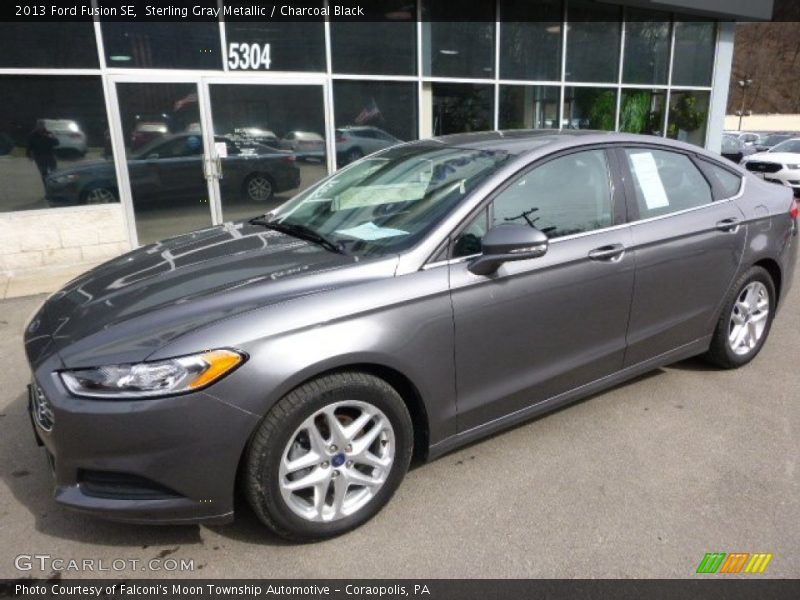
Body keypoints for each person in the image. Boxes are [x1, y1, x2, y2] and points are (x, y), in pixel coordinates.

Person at [27, 120, 59, 186]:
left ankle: (55, 185)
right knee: (44, 172)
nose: (41, 126)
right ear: (37, 126)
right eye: (39, 125)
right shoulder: (32, 135)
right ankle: (46, 186)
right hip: (39, 156)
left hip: (50, 155)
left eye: (42, 125)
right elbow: (30, 146)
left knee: (54, 171)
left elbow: (57, 143)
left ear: (44, 125)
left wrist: (51, 138)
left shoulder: (49, 133)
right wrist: (29, 155)